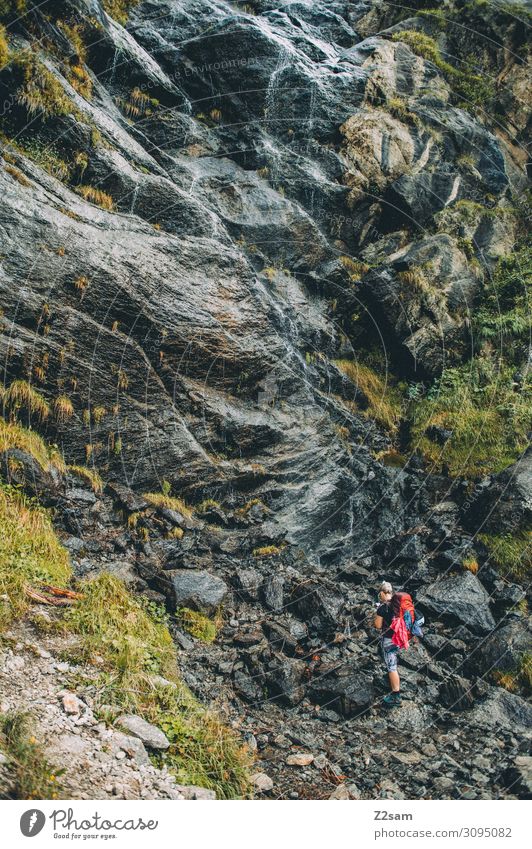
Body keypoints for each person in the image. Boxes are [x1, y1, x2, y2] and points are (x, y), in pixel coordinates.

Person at [374, 581, 401, 707]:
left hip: (388, 639)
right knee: (393, 662)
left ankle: (396, 695)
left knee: (392, 667)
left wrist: (377, 612)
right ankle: (392, 684)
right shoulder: (397, 603)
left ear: (382, 593)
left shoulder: (382, 607)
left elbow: (377, 626)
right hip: (398, 638)